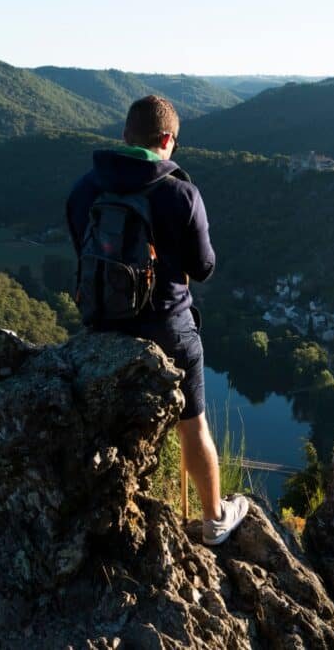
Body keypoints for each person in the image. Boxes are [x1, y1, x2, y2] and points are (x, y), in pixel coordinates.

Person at [66, 95, 248, 546]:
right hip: (168, 330)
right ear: (167, 139)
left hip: (103, 329)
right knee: (194, 424)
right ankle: (213, 517)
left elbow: (82, 253)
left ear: (125, 136)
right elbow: (203, 267)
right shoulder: (180, 192)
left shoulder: (85, 189)